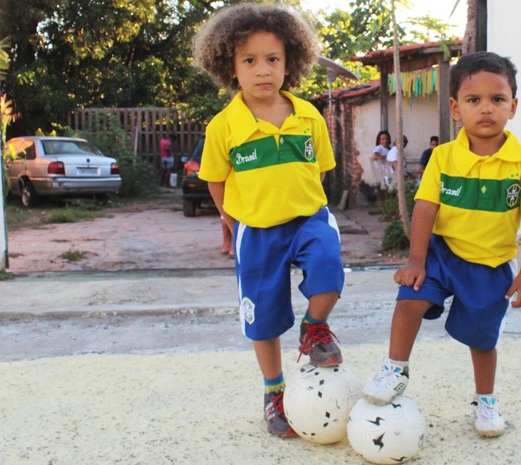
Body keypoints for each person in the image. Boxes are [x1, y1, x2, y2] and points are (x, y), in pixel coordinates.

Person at [361, 51, 521, 438]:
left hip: (490, 266)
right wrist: (416, 259)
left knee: (483, 339)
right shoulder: (443, 158)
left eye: (497, 100)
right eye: (473, 100)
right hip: (441, 254)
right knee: (410, 298)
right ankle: (395, 367)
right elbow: (425, 207)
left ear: (513, 107)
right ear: (455, 107)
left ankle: (486, 401)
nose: (486, 109)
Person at [192, 3, 344, 438]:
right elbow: (216, 180)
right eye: (250, 60)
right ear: (230, 67)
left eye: (273, 59)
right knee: (264, 317)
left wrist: (298, 199)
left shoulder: (309, 116)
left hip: (308, 218)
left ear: (290, 62)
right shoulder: (224, 126)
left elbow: (317, 171)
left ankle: (315, 328)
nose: (263, 70)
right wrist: (231, 220)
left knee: (329, 269)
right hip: (256, 232)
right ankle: (274, 392)